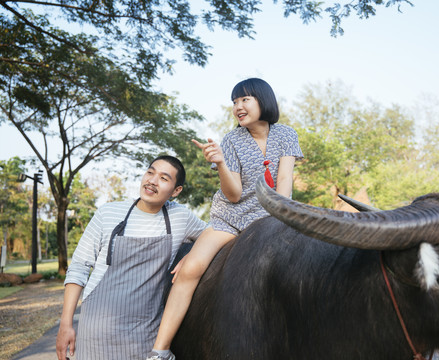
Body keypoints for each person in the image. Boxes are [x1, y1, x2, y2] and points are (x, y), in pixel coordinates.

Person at [146, 78, 303, 360]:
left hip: (271, 216)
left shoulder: (286, 135)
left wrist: (280, 219)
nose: (238, 107)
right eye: (234, 102)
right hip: (231, 219)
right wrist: (219, 162)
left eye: (244, 99)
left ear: (263, 100)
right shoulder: (231, 140)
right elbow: (233, 194)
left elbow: (284, 181)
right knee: (191, 268)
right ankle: (160, 350)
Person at [56, 155, 207, 360]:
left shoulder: (180, 217)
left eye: (163, 178)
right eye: (150, 172)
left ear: (176, 191)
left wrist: (192, 254)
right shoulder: (108, 213)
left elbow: (217, 234)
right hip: (96, 332)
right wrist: (66, 324)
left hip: (146, 336)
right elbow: (79, 267)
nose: (152, 181)